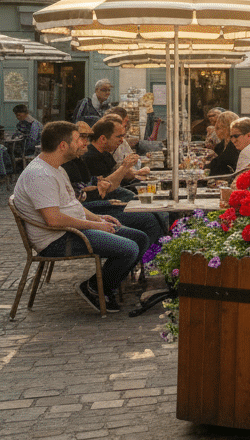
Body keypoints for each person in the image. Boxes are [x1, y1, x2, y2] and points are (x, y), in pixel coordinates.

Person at [13, 121, 150, 313]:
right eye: (78, 139)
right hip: (57, 239)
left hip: (73, 230)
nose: (83, 143)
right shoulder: (40, 174)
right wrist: (94, 226)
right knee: (129, 248)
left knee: (140, 238)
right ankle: (95, 289)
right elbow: (53, 220)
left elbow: (73, 204)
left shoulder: (57, 168)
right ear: (63, 145)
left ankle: (103, 286)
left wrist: (98, 218)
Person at [83, 118, 148, 194]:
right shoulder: (90, 157)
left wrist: (135, 173)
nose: (122, 140)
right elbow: (103, 188)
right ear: (103, 139)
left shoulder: (105, 153)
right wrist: (125, 166)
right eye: (119, 137)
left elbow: (120, 177)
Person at [207, 111, 240, 177]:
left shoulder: (236, 146)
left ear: (227, 128)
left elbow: (219, 164)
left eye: (218, 128)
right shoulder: (221, 145)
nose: (215, 131)